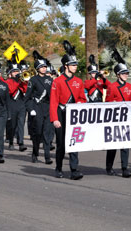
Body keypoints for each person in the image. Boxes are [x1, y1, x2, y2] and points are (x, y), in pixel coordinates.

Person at [50, 40, 86, 180]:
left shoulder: (78, 81)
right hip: (61, 113)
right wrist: (55, 119)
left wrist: (80, 104)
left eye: (75, 64)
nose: (75, 67)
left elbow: (83, 98)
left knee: (74, 142)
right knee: (61, 144)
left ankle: (74, 169)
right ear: (66, 66)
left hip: (74, 114)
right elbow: (53, 101)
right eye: (72, 65)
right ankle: (58, 168)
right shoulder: (57, 81)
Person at [105, 50, 131, 178]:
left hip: (126, 118)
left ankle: (124, 168)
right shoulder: (112, 87)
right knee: (113, 144)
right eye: (123, 73)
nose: (126, 75)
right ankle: (109, 166)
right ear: (118, 75)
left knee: (125, 144)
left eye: (127, 73)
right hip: (115, 118)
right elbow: (108, 103)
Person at [25, 50, 53, 164]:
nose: (44, 68)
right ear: (37, 69)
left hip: (47, 108)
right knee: (37, 133)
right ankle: (35, 153)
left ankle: (47, 156)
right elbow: (28, 97)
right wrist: (31, 109)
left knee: (47, 133)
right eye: (41, 67)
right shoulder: (33, 80)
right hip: (37, 108)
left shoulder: (50, 80)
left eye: (45, 66)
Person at [4, 55, 27, 152]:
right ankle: (11, 142)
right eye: (14, 71)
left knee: (21, 123)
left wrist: (24, 82)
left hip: (21, 104)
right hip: (12, 104)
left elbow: (26, 90)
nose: (16, 73)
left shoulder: (22, 81)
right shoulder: (8, 81)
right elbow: (10, 91)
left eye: (17, 71)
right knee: (12, 125)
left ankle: (21, 142)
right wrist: (18, 82)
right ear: (10, 73)